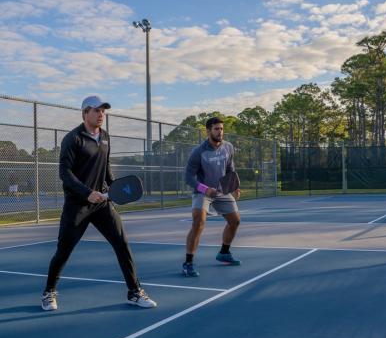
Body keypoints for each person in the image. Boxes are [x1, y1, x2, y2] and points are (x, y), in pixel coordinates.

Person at [41, 95, 157, 311]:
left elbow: (105, 168)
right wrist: (87, 193)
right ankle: (48, 293)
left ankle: (134, 292)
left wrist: (115, 189)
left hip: (102, 204)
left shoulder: (105, 136)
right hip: (77, 206)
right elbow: (64, 173)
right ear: (85, 113)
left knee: (122, 245)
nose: (101, 114)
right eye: (97, 110)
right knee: (63, 251)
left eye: (103, 110)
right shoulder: (72, 138)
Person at [183, 117, 241, 277]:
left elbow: (230, 168)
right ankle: (188, 263)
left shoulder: (228, 147)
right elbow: (188, 177)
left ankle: (224, 252)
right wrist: (204, 188)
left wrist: (234, 185)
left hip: (222, 190)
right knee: (198, 222)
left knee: (235, 221)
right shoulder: (198, 152)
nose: (220, 132)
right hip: (203, 192)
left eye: (221, 129)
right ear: (208, 131)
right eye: (216, 129)